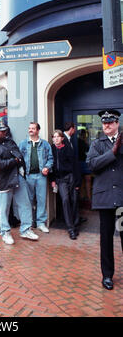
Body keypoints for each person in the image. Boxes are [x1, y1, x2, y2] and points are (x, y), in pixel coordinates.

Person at [87, 109, 123, 291]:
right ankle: (107, 275)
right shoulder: (97, 144)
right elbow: (92, 165)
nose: (107, 125)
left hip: (122, 198)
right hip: (105, 198)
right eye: (104, 122)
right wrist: (113, 152)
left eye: (110, 122)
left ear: (117, 123)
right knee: (106, 239)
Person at [0, 122, 37, 245]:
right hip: (4, 180)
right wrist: (14, 160)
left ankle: (25, 229)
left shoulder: (10, 141)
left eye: (4, 130)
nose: (4, 132)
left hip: (17, 176)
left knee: (25, 203)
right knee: (4, 208)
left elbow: (19, 156)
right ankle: (5, 232)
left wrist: (13, 160)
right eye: (1, 131)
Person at [19, 122, 54, 233]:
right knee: (28, 201)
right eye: (29, 128)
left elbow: (51, 158)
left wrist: (47, 167)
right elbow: (18, 158)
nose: (31, 130)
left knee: (41, 200)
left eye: (33, 128)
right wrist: (21, 172)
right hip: (28, 176)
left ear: (38, 130)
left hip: (41, 176)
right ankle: (28, 223)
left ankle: (41, 223)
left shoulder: (45, 144)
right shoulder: (23, 144)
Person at [51, 129, 78, 240]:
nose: (55, 139)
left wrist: (77, 182)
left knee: (74, 200)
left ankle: (75, 225)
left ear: (62, 138)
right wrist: (52, 180)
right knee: (65, 200)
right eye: (54, 137)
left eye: (58, 137)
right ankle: (71, 229)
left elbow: (75, 165)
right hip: (60, 179)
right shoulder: (51, 149)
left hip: (71, 177)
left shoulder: (68, 148)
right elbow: (50, 165)